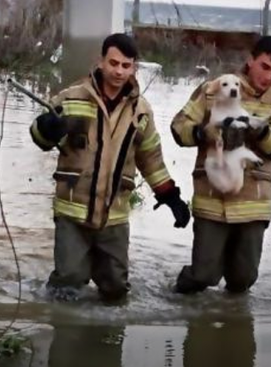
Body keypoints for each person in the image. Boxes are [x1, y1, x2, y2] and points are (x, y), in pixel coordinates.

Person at [30, 33, 191, 302]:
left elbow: (151, 158)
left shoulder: (142, 112)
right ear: (101, 62)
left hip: (115, 215)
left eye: (126, 66)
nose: (119, 71)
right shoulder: (71, 98)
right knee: (67, 285)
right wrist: (47, 128)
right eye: (113, 63)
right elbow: (39, 136)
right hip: (72, 212)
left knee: (116, 289)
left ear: (134, 68)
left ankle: (107, 338)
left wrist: (170, 197)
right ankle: (63, 330)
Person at [169, 35, 271, 294]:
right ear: (250, 60)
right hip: (212, 198)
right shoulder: (214, 87)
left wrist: (259, 131)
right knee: (203, 275)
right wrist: (204, 133)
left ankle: (229, 321)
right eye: (265, 67)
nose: (269, 76)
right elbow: (178, 127)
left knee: (243, 280)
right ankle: (179, 302)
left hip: (254, 202)